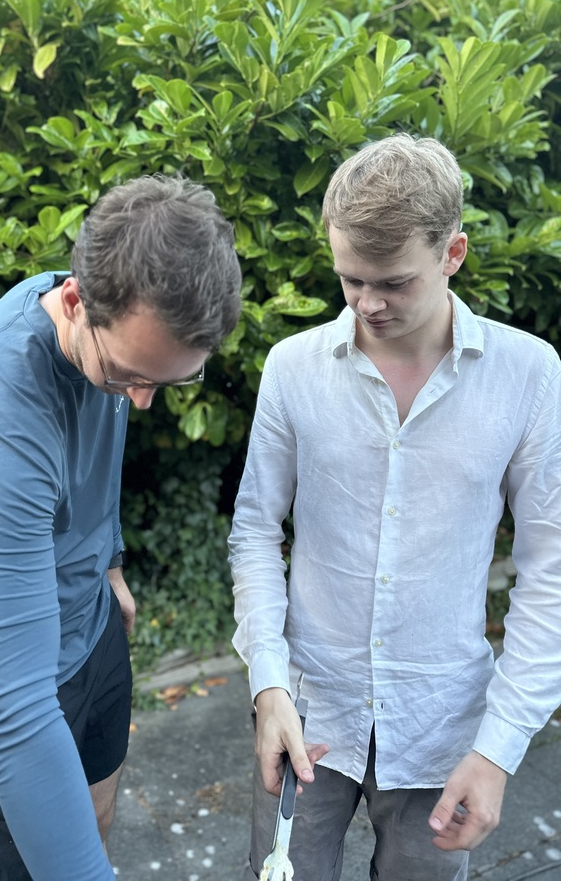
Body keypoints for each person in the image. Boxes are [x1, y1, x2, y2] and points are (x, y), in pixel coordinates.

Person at [228, 135, 561, 881]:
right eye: (350, 279)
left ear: (453, 253)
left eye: (394, 283)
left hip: (445, 727)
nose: (367, 303)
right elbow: (255, 531)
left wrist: (499, 747)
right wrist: (268, 683)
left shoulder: (530, 376)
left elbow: (552, 571)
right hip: (306, 711)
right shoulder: (292, 369)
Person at [0, 174, 242, 881]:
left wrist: (109, 560)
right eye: (127, 375)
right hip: (1, 683)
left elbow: (95, 451)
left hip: (91, 627)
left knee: (95, 813)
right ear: (75, 300)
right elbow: (14, 709)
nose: (141, 401)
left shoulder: (110, 331)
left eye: (167, 382)